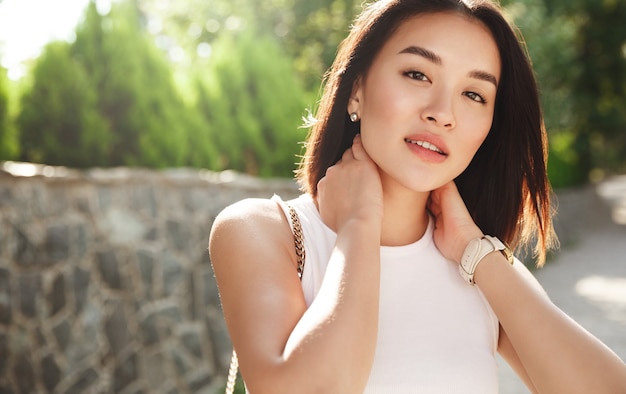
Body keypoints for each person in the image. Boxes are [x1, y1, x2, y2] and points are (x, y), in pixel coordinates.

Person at [209, 0, 626, 392]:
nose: (442, 112)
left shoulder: (477, 264)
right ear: (357, 89)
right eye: (417, 74)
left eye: (474, 95)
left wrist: (475, 253)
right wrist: (358, 225)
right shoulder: (264, 231)